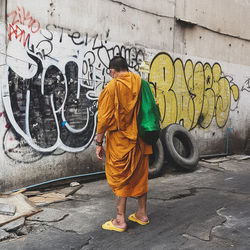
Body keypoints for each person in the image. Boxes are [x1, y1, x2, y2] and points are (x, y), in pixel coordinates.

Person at [95, 56, 152, 232]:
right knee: (140, 176)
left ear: (113, 71)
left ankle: (120, 220)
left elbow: (103, 119)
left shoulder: (112, 86)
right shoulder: (142, 84)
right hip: (141, 141)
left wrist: (98, 142)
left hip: (121, 142)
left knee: (120, 177)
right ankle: (142, 214)